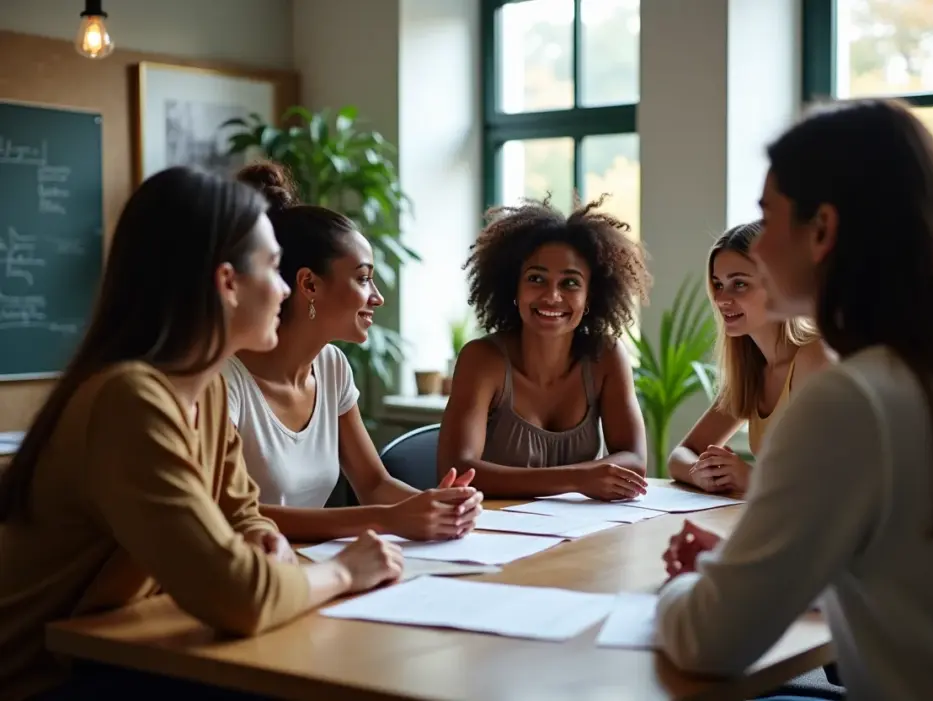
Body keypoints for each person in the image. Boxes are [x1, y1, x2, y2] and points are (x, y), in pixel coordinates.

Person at [656, 99, 933, 700]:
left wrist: (685, 590)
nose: (762, 247)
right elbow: (923, 583)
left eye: (768, 219)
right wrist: (755, 567)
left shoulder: (849, 402)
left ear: (822, 230)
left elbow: (706, 640)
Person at [0, 166, 404, 701]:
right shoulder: (132, 399)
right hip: (46, 677)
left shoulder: (205, 387)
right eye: (275, 269)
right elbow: (240, 596)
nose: (285, 290)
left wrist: (263, 543)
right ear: (227, 282)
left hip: (129, 652)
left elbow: (245, 518)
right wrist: (347, 571)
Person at [226, 161, 482, 543]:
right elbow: (233, 516)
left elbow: (374, 483)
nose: (377, 297)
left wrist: (437, 506)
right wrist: (387, 520)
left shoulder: (331, 366)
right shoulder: (224, 380)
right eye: (363, 278)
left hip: (313, 567)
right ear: (309, 284)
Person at [437, 195, 652, 500]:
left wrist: (581, 479)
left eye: (570, 283)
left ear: (592, 296)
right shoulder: (482, 360)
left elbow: (633, 459)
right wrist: (578, 478)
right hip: (493, 533)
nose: (552, 296)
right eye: (536, 279)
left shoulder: (605, 356)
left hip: (579, 534)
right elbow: (458, 471)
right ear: (514, 287)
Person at [667, 222, 832, 495]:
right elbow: (681, 456)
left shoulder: (814, 357)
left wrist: (750, 477)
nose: (721, 298)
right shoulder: (751, 371)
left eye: (739, 284)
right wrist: (704, 475)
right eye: (718, 285)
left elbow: (832, 484)